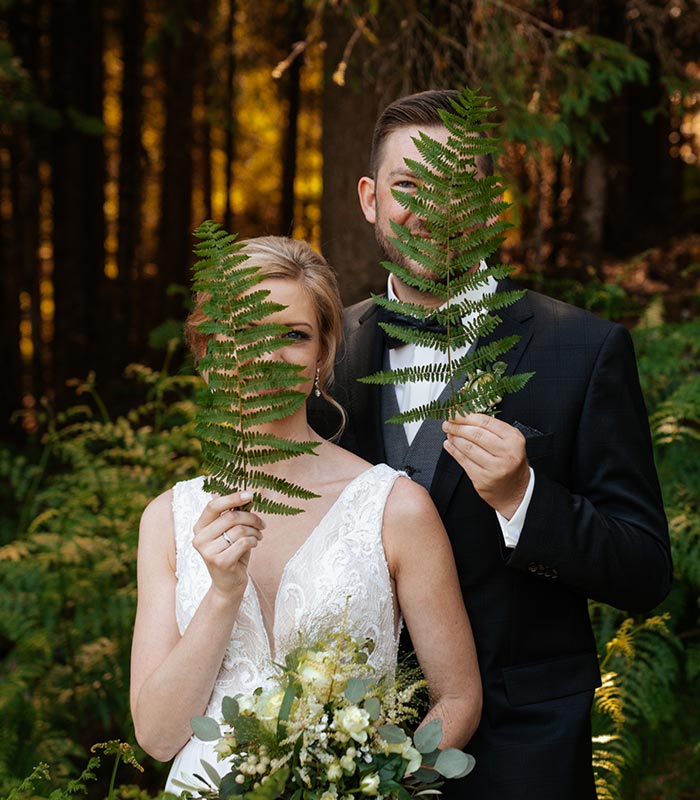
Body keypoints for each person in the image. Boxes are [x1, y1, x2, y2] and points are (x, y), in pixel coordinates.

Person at [308, 90, 672, 799]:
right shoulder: (324, 354)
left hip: (523, 756)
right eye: (407, 186)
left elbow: (645, 570)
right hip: (343, 754)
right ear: (369, 199)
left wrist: (525, 501)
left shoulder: (582, 351)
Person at [129, 235, 482, 792]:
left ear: (322, 356)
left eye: (293, 336)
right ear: (210, 353)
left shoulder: (394, 507)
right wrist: (223, 593)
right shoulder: (166, 519)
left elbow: (458, 696)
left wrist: (379, 783)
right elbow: (156, 735)